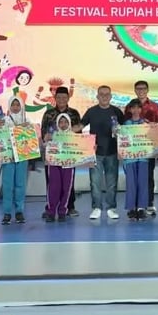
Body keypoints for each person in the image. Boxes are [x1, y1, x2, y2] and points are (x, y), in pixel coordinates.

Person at [81, 85, 125, 220]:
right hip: (95, 153)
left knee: (112, 183)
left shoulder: (117, 111)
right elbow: (80, 126)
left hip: (112, 152)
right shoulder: (91, 111)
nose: (104, 97)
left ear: (111, 96)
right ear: (97, 96)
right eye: (102, 94)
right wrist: (64, 133)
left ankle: (111, 208)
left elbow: (126, 129)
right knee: (95, 183)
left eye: (107, 94)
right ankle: (97, 208)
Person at [40, 86, 82, 221]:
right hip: (52, 156)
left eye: (64, 97)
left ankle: (69, 207)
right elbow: (43, 131)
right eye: (59, 97)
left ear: (68, 98)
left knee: (68, 183)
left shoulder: (74, 113)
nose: (61, 99)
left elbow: (79, 134)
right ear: (55, 98)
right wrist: (47, 139)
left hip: (69, 154)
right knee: (52, 183)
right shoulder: (48, 114)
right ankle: (50, 208)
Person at [133, 80, 158, 215]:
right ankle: (137, 203)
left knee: (149, 175)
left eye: (143, 88)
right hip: (134, 147)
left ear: (147, 90)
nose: (141, 91)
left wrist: (150, 124)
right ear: (135, 90)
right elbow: (125, 125)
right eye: (138, 89)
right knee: (135, 176)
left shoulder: (155, 107)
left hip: (150, 146)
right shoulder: (130, 106)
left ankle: (149, 203)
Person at [0, 96, 30, 225]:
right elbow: (1, 135)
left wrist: (25, 128)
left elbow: (31, 138)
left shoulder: (27, 120)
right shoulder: (4, 120)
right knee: (7, 185)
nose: (16, 107)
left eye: (18, 105)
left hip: (22, 156)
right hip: (8, 156)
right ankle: (7, 213)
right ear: (9, 106)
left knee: (20, 184)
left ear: (21, 106)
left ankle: (19, 211)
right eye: (13, 105)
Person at [45, 113, 76, 222]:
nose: (63, 124)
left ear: (69, 123)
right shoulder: (52, 134)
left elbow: (81, 148)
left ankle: (62, 211)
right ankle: (51, 212)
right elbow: (45, 146)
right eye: (61, 122)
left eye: (65, 122)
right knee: (54, 188)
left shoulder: (73, 136)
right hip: (54, 165)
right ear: (57, 124)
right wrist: (46, 140)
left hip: (68, 165)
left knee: (66, 188)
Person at [122, 99, 150, 221]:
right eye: (133, 107)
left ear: (141, 109)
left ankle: (141, 208)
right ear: (130, 109)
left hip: (143, 157)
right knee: (131, 183)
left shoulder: (146, 123)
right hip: (129, 158)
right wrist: (115, 131)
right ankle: (131, 208)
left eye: (138, 107)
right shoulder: (125, 124)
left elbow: (152, 137)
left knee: (142, 182)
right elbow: (120, 139)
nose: (136, 110)